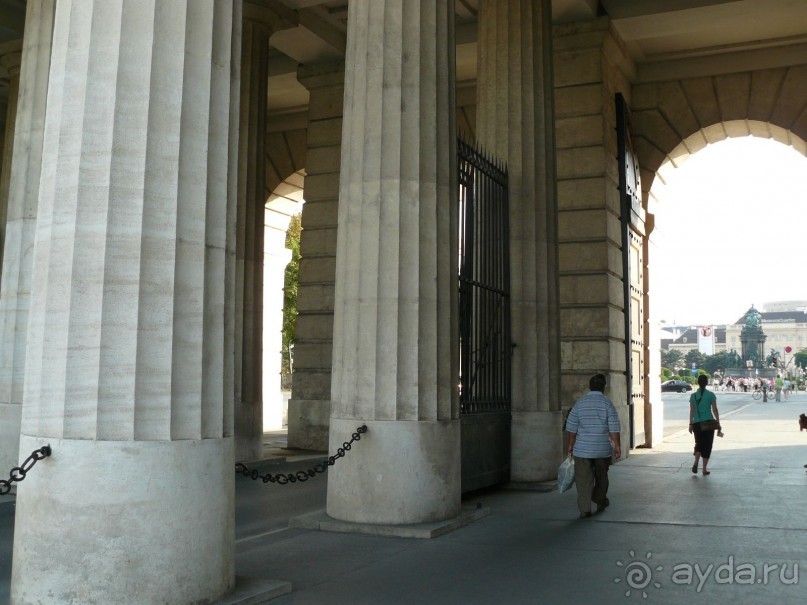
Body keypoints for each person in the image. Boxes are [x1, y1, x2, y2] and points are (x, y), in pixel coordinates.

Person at [565, 373, 622, 519]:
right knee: (602, 477)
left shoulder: (580, 403)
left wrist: (570, 445)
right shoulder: (607, 404)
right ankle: (599, 499)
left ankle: (585, 509)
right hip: (602, 449)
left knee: (583, 480)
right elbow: (613, 428)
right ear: (604, 387)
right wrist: (617, 446)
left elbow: (572, 427)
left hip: (582, 450)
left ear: (590, 387)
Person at [689, 374, 721, 476]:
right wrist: (718, 422)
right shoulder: (711, 395)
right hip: (708, 423)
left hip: (696, 423)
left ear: (698, 383)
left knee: (698, 444)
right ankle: (704, 469)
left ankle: (695, 462)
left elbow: (692, 410)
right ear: (707, 383)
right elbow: (714, 409)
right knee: (707, 445)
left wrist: (690, 423)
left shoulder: (693, 396)